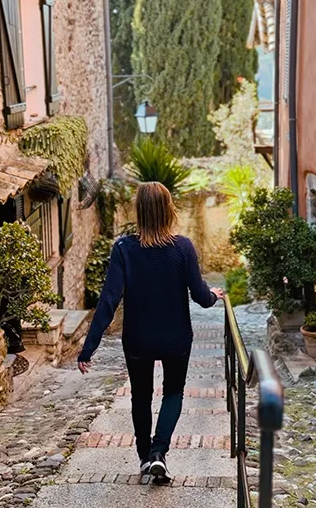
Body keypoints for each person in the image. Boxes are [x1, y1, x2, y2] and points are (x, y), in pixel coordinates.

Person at [78, 181, 223, 479]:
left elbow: (108, 300)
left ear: (139, 211)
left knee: (141, 397)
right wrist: (214, 295)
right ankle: (159, 452)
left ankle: (146, 458)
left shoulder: (123, 249)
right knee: (173, 392)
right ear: (168, 209)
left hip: (138, 339)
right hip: (176, 338)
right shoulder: (183, 247)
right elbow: (200, 296)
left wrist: (88, 347)